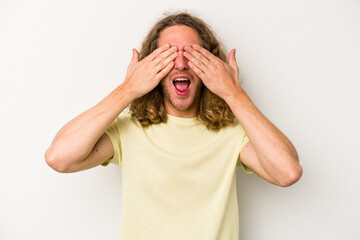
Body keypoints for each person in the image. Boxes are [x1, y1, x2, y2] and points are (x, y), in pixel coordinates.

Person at [45, 12, 302, 240]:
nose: (180, 64)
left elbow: (288, 172)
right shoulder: (129, 130)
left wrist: (234, 93)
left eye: (192, 54)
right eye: (168, 55)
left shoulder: (231, 132)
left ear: (209, 65)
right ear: (151, 67)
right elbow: (59, 157)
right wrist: (128, 89)